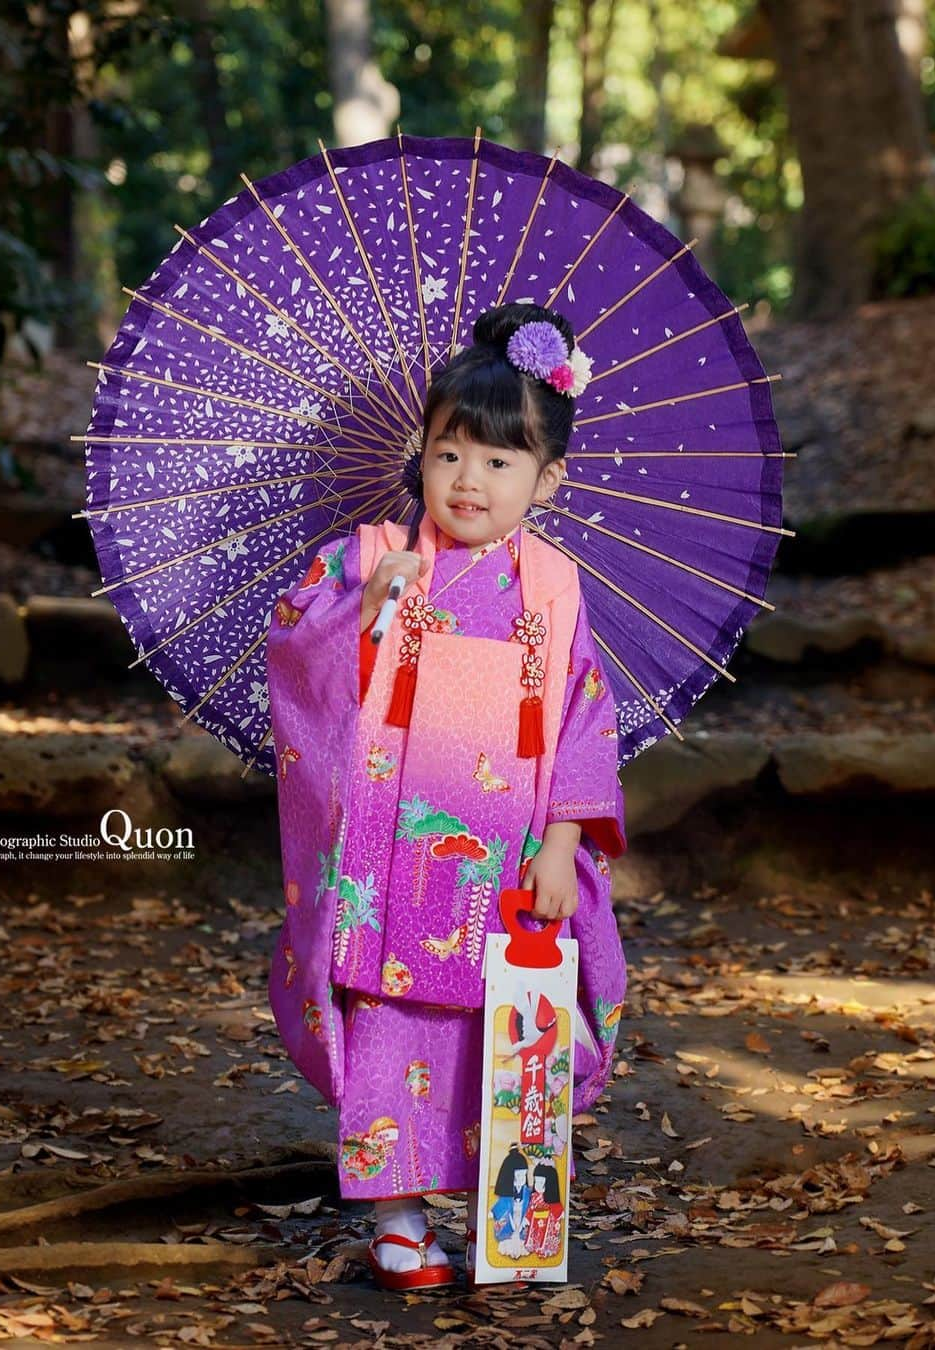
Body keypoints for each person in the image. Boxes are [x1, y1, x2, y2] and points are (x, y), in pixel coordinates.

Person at [266, 302, 627, 1291]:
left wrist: (562, 843)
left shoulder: (552, 587)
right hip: (388, 856)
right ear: (420, 455)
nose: (469, 479)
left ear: (546, 481)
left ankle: (500, 1216)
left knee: (494, 1037)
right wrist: (361, 607)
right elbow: (295, 655)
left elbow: (584, 720)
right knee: (391, 1028)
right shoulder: (372, 553)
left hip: (504, 863)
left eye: (500, 462)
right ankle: (395, 1218)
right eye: (449, 453)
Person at [524, 1161, 564, 1259]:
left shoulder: (552, 1198)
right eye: (536, 1181)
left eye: (541, 1182)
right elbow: (531, 1208)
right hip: (535, 1221)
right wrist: (527, 1218)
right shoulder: (534, 1196)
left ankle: (546, 1249)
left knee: (546, 1235)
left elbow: (557, 1208)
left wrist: (560, 1213)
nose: (538, 1185)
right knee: (535, 1235)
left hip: (548, 1221)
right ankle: (533, 1247)